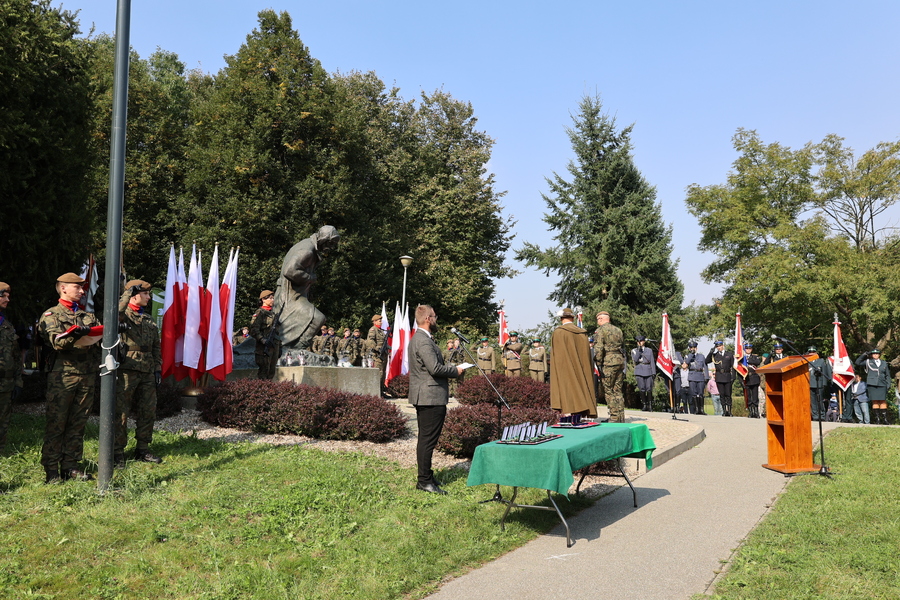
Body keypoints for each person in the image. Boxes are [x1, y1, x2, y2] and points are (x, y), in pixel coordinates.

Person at [37, 273, 102, 483]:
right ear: (63, 288)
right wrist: (75, 334)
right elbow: (56, 342)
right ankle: (51, 470)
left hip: (86, 376)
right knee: (57, 424)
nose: (82, 291)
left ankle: (70, 466)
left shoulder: (88, 316)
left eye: (83, 288)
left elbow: (99, 339)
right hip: (62, 377)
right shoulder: (51, 315)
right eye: (78, 287)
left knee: (78, 423)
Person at [407, 305, 463, 495]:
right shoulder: (423, 340)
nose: (436, 319)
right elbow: (435, 369)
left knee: (426, 439)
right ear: (428, 319)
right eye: (435, 316)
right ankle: (423, 481)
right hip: (429, 397)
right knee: (427, 441)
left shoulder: (423, 338)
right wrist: (456, 370)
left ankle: (427, 476)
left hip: (428, 395)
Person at [115, 280, 164, 466]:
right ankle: (117, 452)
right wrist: (127, 294)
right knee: (121, 413)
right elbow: (116, 314)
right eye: (145, 294)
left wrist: (157, 368)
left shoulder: (149, 319)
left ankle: (142, 449)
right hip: (127, 369)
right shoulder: (124, 315)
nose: (149, 297)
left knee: (148, 411)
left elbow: (156, 347)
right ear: (135, 294)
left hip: (147, 370)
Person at [274, 225, 340, 350]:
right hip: (290, 295)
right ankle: (296, 349)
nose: (331, 247)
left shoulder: (308, 246)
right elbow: (290, 271)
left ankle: (291, 349)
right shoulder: (307, 250)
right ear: (324, 238)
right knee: (317, 318)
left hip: (295, 293)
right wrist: (310, 278)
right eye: (331, 243)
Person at [550, 308, 597, 417]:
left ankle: (571, 413)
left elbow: (557, 356)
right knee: (582, 385)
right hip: (582, 368)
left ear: (561, 319)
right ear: (573, 318)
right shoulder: (582, 333)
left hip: (565, 368)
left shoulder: (559, 332)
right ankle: (582, 411)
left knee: (568, 388)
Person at [0, 282, 24, 453]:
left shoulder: (7, 325)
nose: (8, 299)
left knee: (2, 423)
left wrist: (18, 381)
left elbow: (16, 357)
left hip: (5, 384)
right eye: (4, 295)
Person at [595, 311, 625, 422]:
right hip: (619, 361)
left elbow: (599, 348)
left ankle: (614, 417)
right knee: (618, 390)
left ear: (601, 319)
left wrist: (598, 362)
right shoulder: (618, 330)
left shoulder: (600, 330)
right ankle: (621, 417)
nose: (598, 322)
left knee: (609, 390)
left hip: (608, 362)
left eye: (598, 319)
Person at [249, 290, 280, 379]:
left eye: (273, 298)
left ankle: (269, 391)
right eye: (270, 298)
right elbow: (254, 330)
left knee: (271, 372)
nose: (273, 300)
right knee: (264, 372)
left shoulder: (273, 314)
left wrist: (279, 346)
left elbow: (277, 332)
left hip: (274, 346)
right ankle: (262, 391)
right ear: (263, 299)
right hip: (263, 347)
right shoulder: (260, 313)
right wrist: (262, 340)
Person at [856, 349, 890, 424]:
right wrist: (865, 354)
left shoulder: (884, 363)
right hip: (872, 384)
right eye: (873, 354)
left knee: (883, 401)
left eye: (877, 354)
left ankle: (885, 419)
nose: (875, 355)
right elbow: (858, 362)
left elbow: (887, 375)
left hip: (882, 384)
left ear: (879, 355)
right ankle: (877, 419)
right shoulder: (868, 362)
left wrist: (888, 384)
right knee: (875, 401)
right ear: (871, 355)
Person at [706, 341, 735, 416]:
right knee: (722, 395)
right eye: (717, 347)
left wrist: (733, 377)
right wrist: (710, 353)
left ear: (723, 346)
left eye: (720, 346)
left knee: (728, 395)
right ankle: (724, 411)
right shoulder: (715, 355)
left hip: (727, 375)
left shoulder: (729, 354)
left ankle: (729, 411)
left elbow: (733, 366)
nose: (719, 348)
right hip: (719, 376)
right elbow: (706, 361)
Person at [683, 341, 709, 415]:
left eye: (694, 348)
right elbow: (684, 366)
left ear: (696, 348)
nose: (692, 349)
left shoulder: (701, 356)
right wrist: (691, 355)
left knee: (701, 393)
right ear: (689, 349)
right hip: (692, 376)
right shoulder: (687, 356)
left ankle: (701, 410)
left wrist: (706, 376)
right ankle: (696, 410)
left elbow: (705, 366)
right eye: (691, 348)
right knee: (693, 394)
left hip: (700, 375)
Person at [807, 346, 833, 422]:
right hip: (810, 384)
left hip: (819, 384)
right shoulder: (806, 361)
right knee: (813, 401)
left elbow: (824, 372)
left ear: (816, 353)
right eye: (810, 352)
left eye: (813, 352)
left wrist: (824, 384)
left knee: (820, 401)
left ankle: (822, 415)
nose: (812, 354)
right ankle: (815, 416)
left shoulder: (821, 361)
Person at [631, 336, 655, 411]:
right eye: (638, 341)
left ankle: (650, 405)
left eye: (641, 341)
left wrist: (653, 372)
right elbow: (635, 359)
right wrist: (639, 350)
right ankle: (644, 405)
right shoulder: (634, 351)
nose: (639, 343)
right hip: (639, 370)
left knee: (649, 388)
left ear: (644, 341)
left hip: (648, 370)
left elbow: (652, 361)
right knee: (642, 389)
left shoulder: (649, 350)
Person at [739, 342, 762, 418]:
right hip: (746, 378)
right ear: (744, 349)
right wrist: (741, 380)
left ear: (751, 349)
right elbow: (739, 370)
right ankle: (751, 412)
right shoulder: (742, 358)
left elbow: (757, 362)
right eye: (747, 348)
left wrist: (748, 361)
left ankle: (756, 412)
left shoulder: (755, 357)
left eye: (749, 349)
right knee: (748, 396)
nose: (748, 350)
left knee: (755, 396)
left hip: (754, 378)